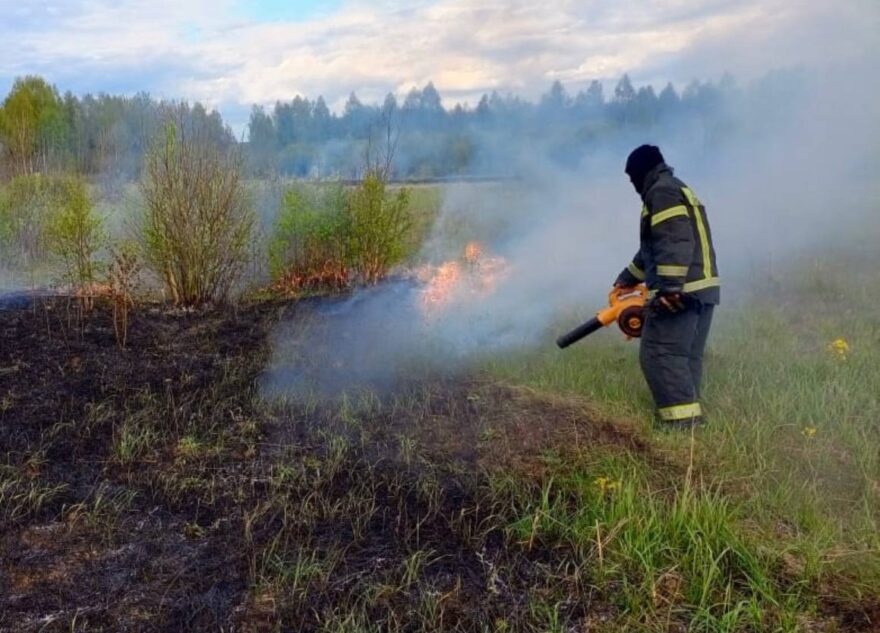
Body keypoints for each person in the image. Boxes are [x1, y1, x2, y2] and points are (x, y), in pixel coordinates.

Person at [614, 145, 719, 429]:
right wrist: (628, 276)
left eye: (632, 177)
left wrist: (670, 288)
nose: (632, 184)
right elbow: (654, 247)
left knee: (660, 353)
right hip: (702, 288)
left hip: (682, 290)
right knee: (684, 357)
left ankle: (681, 428)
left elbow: (674, 240)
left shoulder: (660, 192)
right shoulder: (677, 188)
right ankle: (691, 420)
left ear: (642, 171)